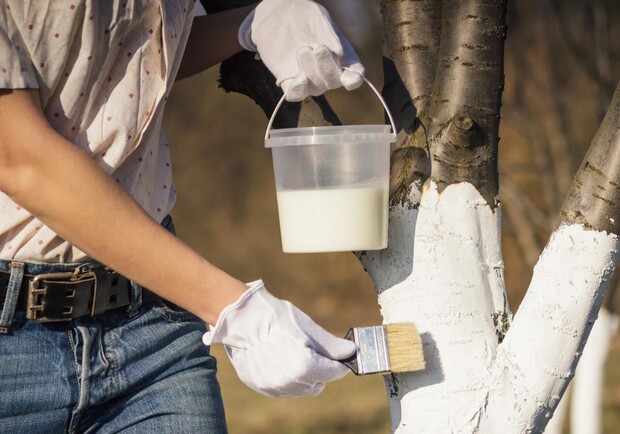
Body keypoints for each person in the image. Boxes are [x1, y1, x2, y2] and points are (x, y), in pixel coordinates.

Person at [0, 0, 366, 432]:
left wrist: (247, 25)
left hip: (151, 332)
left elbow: (125, 49)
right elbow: (18, 158)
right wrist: (234, 309)